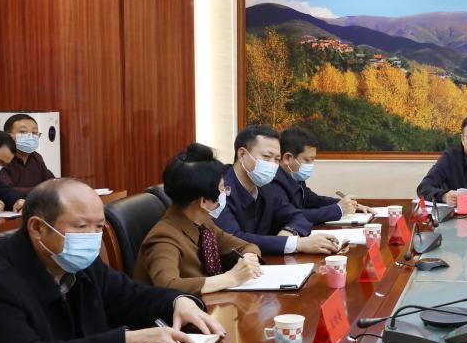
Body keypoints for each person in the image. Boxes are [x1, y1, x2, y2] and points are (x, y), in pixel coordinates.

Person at [0, 179, 226, 343]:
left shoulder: (78, 262)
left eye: (99, 227)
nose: (92, 238)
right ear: (37, 228)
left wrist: (178, 301)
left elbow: (131, 296)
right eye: (81, 226)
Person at [135, 143, 262, 294]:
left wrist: (247, 261)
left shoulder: (203, 223)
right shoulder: (163, 237)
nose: (226, 193)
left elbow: (247, 246)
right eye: (222, 189)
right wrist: (231, 278)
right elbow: (168, 286)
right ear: (204, 201)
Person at [214, 124, 339, 256]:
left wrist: (290, 232)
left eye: (277, 159)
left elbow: (298, 216)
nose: (272, 165)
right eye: (266, 157)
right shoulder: (218, 189)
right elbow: (234, 239)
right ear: (242, 154)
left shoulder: (265, 186)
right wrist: (295, 244)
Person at [270, 126, 371, 225]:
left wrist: (347, 204)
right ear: (287, 158)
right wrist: (338, 209)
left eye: (313, 160)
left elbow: (312, 200)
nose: (310, 165)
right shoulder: (273, 182)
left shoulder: (295, 177)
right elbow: (291, 216)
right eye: (307, 160)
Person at [0, 114, 57, 212]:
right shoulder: (0, 158)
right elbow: (6, 192)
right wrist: (41, 190)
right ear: (8, 136)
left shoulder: (36, 157)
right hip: (9, 213)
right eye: (23, 132)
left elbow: (52, 185)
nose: (30, 137)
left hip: (36, 209)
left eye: (34, 133)